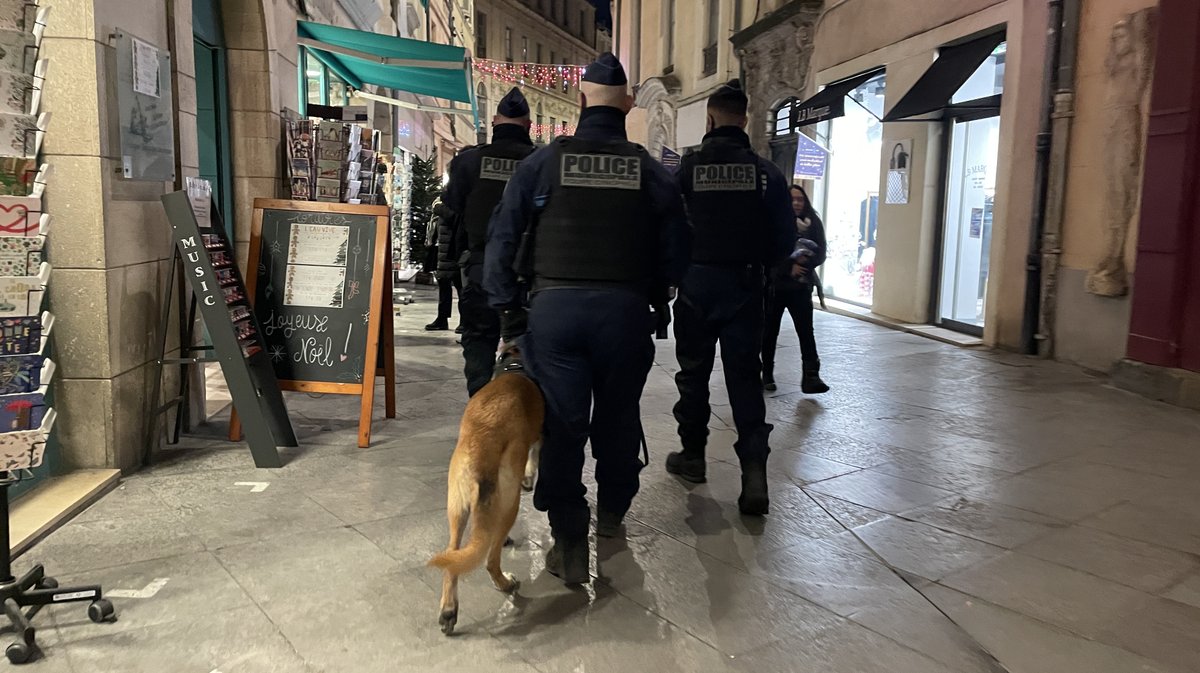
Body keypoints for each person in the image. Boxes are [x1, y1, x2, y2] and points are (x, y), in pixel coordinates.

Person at [484, 53, 690, 584]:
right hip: (624, 314)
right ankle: (614, 513)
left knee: (563, 424)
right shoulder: (647, 168)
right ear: (626, 104)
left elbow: (502, 239)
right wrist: (657, 292)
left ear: (579, 100)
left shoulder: (543, 163)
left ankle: (569, 539)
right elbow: (679, 247)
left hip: (554, 313)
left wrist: (510, 317)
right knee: (618, 418)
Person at [666, 80, 795, 516]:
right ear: (745, 118)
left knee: (693, 374)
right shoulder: (765, 173)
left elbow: (669, 227)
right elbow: (785, 238)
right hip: (745, 286)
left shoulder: (686, 170)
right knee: (745, 378)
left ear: (709, 118)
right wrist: (764, 270)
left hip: (697, 284)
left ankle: (694, 456)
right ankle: (754, 474)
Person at [439, 87, 537, 395]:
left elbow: (451, 206)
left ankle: (482, 409)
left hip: (480, 268)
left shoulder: (468, 162)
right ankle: (521, 415)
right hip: (529, 274)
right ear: (529, 125)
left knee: (478, 341)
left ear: (493, 123)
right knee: (526, 348)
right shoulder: (540, 162)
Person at [761, 185, 831, 394]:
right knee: (769, 330)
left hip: (801, 286)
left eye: (800, 199)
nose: (797, 203)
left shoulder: (814, 222)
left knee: (806, 331)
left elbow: (821, 252)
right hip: (777, 286)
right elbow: (768, 252)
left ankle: (811, 376)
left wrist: (806, 265)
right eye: (793, 199)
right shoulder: (777, 223)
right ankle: (767, 374)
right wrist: (788, 266)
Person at [425, 199, 462, 332]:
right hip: (444, 251)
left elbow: (450, 215)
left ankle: (463, 321)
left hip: (452, 251)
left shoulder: (457, 202)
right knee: (445, 286)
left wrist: (437, 206)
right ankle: (442, 319)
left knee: (460, 287)